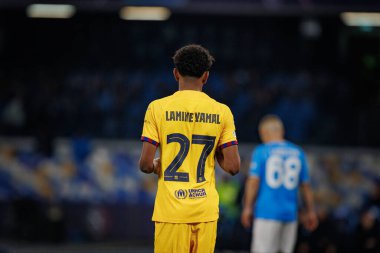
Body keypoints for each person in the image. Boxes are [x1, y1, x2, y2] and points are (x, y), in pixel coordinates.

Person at [139, 44, 240, 253]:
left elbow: (145, 164)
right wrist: (213, 152)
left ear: (175, 73)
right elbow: (233, 167)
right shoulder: (222, 112)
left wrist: (157, 165)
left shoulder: (157, 108)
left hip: (171, 212)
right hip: (205, 212)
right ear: (206, 76)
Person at [241, 114, 318, 253]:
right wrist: (311, 211)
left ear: (264, 133)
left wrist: (247, 207)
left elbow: (253, 182)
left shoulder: (262, 151)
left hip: (267, 212)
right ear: (281, 131)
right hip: (290, 214)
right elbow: (305, 186)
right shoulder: (298, 152)